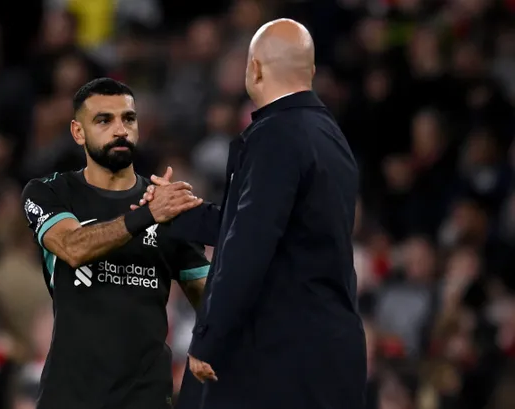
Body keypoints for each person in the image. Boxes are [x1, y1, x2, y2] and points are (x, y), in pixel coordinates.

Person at [135, 19, 367, 409]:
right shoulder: (330, 136)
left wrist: (208, 336)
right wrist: (177, 213)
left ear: (255, 69)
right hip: (328, 351)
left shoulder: (276, 134)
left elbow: (249, 244)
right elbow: (261, 226)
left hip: (281, 355)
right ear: (309, 71)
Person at [21, 78, 211, 409]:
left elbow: (208, 294)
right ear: (78, 132)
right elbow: (72, 247)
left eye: (129, 118)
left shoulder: (165, 206)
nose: (120, 130)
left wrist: (209, 342)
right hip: (70, 397)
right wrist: (148, 215)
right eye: (104, 120)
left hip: (147, 399)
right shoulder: (50, 192)